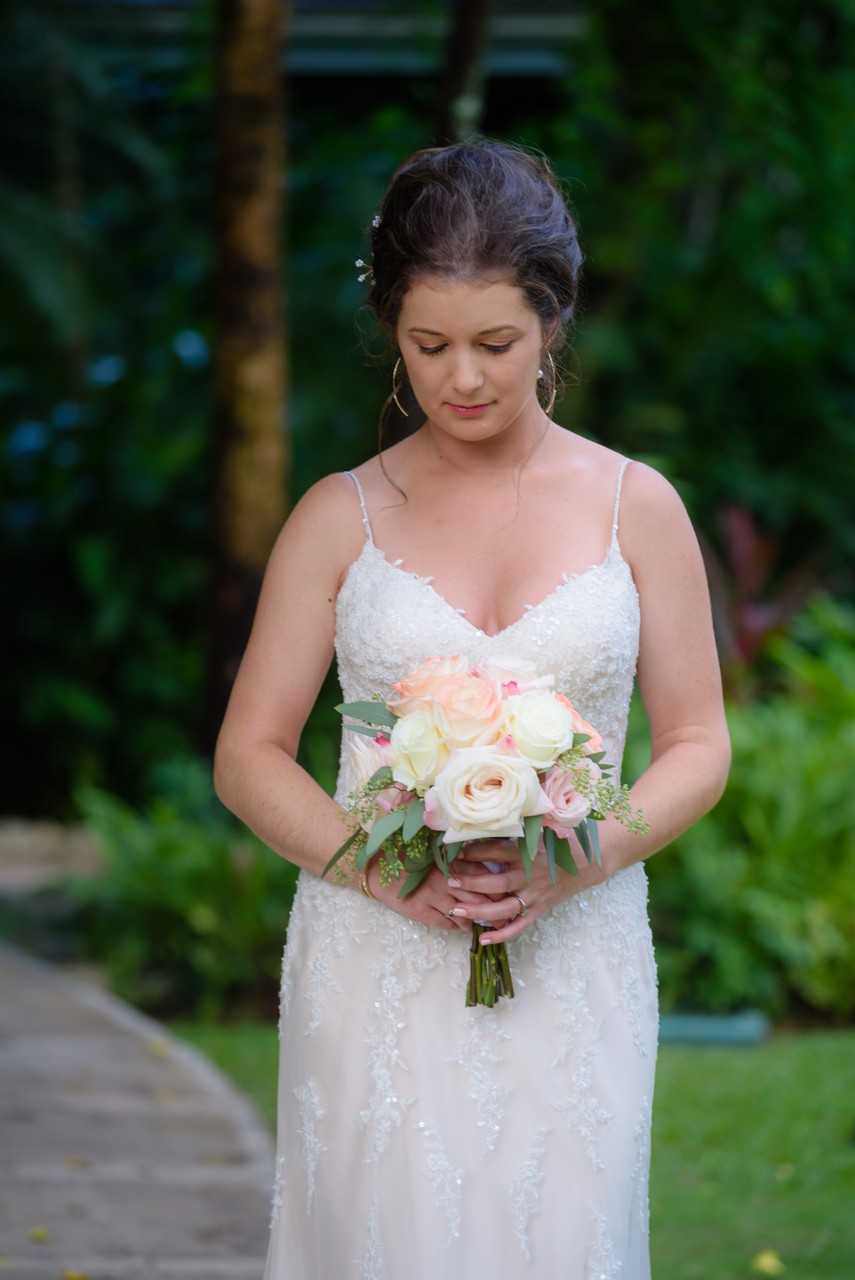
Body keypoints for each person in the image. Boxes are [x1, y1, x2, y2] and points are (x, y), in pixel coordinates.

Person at [214, 140, 730, 1279]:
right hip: (374, 952)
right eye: (428, 344)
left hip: (576, 948)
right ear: (390, 330)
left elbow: (699, 743)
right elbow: (249, 754)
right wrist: (380, 870)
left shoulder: (637, 507)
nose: (462, 379)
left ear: (553, 317)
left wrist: (579, 859)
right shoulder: (337, 515)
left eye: (495, 344)